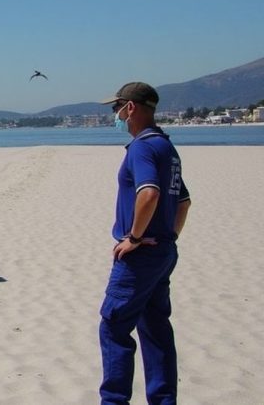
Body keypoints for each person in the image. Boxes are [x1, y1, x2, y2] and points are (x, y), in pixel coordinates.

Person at [99, 83, 191, 405]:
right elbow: (184, 203)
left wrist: (135, 238)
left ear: (131, 108)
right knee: (155, 329)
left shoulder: (141, 147)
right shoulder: (167, 147)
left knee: (113, 327)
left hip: (142, 256)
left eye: (117, 109)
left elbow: (148, 193)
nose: (116, 115)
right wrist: (169, 237)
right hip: (163, 251)